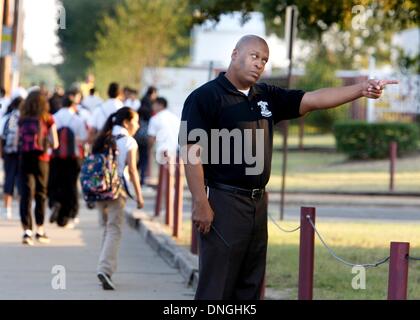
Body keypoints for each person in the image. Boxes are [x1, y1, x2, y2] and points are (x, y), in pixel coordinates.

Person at [179, 35, 398, 300]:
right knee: (217, 288)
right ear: (235, 54)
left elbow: (315, 99)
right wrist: (200, 202)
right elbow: (191, 153)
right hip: (224, 202)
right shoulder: (204, 97)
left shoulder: (267, 95)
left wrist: (361, 89)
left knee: (250, 285)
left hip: (258, 204)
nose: (259, 63)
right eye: (253, 56)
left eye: (264, 60)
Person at [92, 107, 144, 290]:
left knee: (107, 230)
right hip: (117, 191)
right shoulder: (129, 142)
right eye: (135, 121)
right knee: (114, 230)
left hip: (98, 190)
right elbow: (131, 170)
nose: (137, 125)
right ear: (126, 122)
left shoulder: (102, 137)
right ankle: (105, 270)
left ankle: (103, 266)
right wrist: (138, 195)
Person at [18, 90, 59, 246]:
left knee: (26, 194)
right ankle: (40, 230)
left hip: (25, 158)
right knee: (41, 193)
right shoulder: (48, 119)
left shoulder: (22, 119)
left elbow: (17, 142)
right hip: (42, 160)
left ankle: (26, 231)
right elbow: (55, 143)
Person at [48, 88, 88, 228]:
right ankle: (70, 213)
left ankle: (55, 203)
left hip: (55, 156)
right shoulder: (77, 119)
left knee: (55, 182)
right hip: (73, 157)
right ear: (73, 105)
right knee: (71, 186)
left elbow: (49, 138)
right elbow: (83, 139)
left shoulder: (54, 117)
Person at [0, 96, 23, 219]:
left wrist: (2, 153)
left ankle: (7, 209)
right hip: (22, 153)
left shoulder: (7, 118)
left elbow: (2, 137)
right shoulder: (24, 117)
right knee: (21, 181)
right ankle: (21, 209)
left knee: (8, 180)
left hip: (9, 153)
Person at [147, 97, 180, 165]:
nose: (152, 106)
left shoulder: (155, 118)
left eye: (154, 104)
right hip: (175, 150)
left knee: (162, 174)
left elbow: (151, 138)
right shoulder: (175, 118)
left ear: (160, 105)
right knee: (172, 173)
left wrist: (148, 150)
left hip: (161, 152)